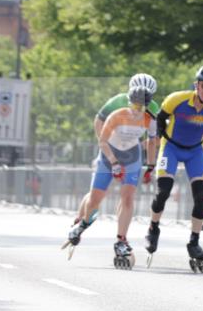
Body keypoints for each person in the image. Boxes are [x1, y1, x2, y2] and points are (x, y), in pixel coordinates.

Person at [65, 85, 157, 264]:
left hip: (132, 157)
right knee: (95, 199)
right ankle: (82, 224)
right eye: (134, 106)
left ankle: (121, 240)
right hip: (109, 155)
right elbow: (102, 141)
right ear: (129, 103)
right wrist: (114, 163)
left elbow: (152, 142)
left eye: (141, 107)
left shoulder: (149, 120)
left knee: (128, 198)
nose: (137, 111)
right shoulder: (117, 116)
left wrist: (151, 166)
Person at [146, 65, 203, 269]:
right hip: (171, 148)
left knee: (201, 197)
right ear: (196, 85)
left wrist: (199, 139)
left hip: (195, 151)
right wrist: (164, 137)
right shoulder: (177, 99)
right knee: (163, 191)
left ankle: (194, 242)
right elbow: (160, 118)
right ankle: (153, 228)